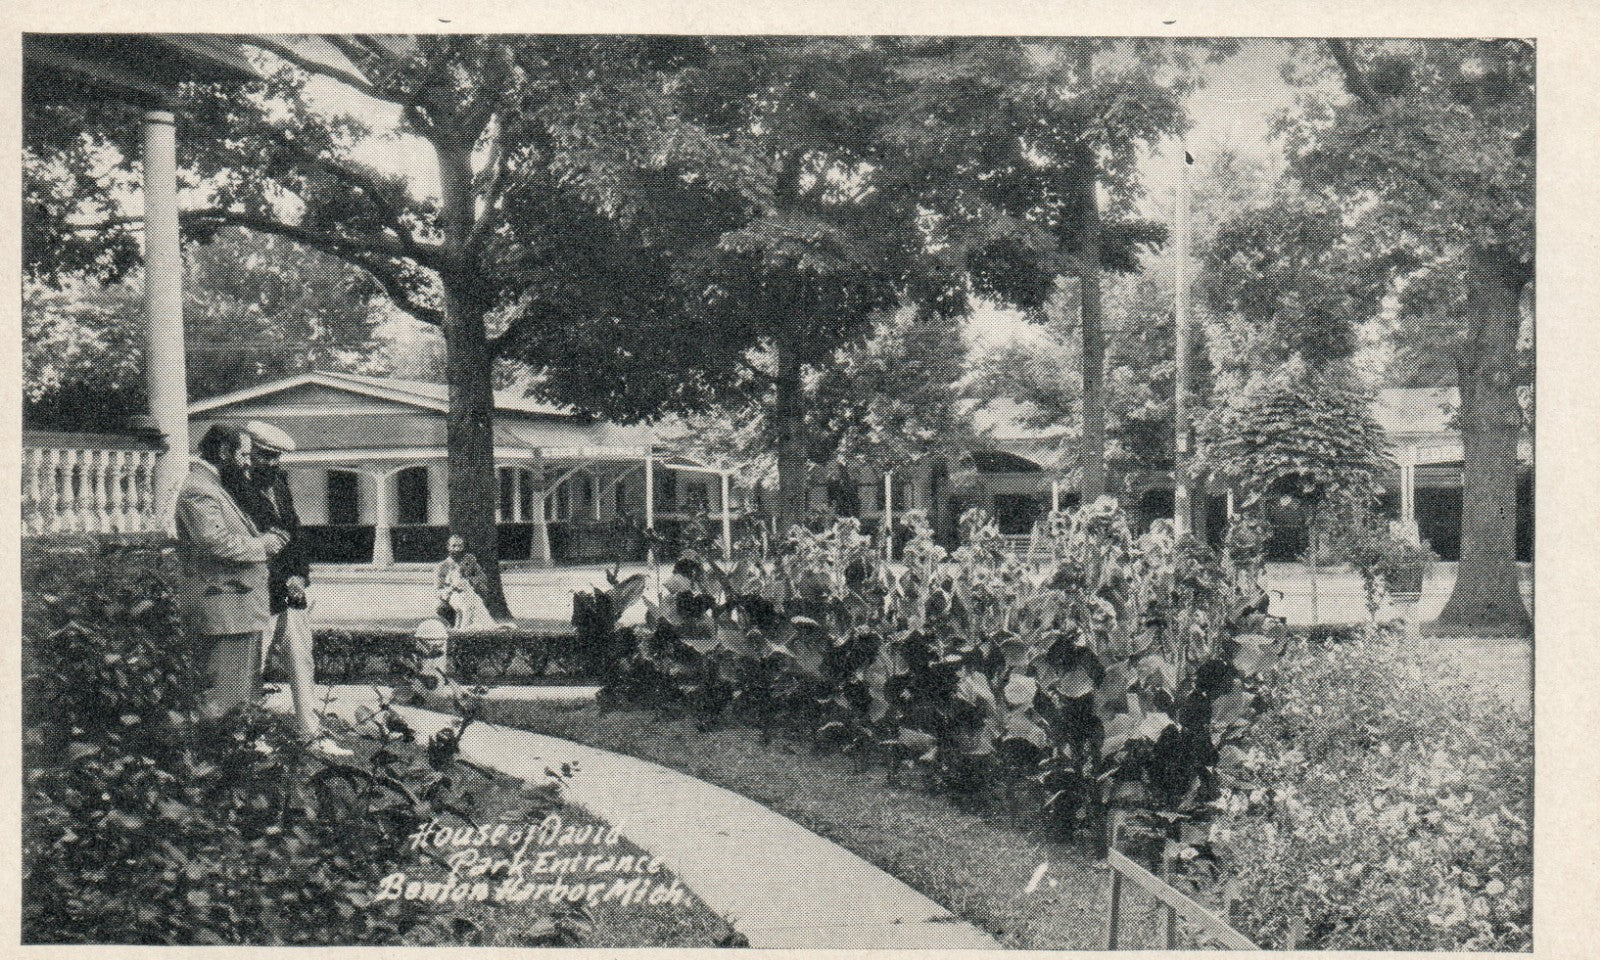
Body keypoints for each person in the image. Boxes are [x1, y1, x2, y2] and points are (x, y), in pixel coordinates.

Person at [237, 421, 352, 757]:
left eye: (275, 458)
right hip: (257, 595)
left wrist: (300, 576)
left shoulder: (280, 484)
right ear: (250, 453)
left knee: (302, 661)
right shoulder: (235, 489)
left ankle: (311, 732)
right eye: (264, 456)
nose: (271, 464)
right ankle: (249, 735)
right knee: (251, 666)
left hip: (290, 594)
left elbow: (296, 534)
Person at [174, 424, 288, 719]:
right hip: (224, 610)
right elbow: (215, 543)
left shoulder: (212, 486)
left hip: (238, 610)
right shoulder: (198, 489)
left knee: (240, 698)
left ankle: (238, 753)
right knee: (221, 700)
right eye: (244, 455)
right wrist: (263, 545)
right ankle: (217, 757)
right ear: (224, 452)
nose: (248, 462)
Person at [436, 534, 493, 629]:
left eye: (460, 546)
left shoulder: (470, 560)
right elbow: (438, 589)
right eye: (454, 546)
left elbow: (482, 578)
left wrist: (468, 582)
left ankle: (469, 627)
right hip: (451, 596)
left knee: (474, 601)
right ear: (448, 547)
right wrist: (451, 590)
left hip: (469, 593)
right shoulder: (442, 566)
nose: (457, 549)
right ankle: (457, 626)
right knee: (442, 607)